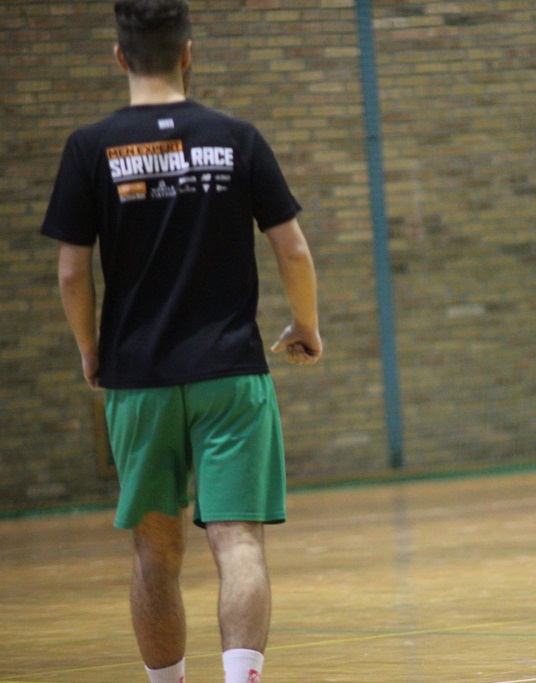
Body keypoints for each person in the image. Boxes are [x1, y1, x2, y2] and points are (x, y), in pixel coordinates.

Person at [41, 1, 322, 680]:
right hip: (230, 375)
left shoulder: (89, 147)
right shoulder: (238, 138)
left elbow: (73, 271)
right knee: (239, 543)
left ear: (118, 57)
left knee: (155, 552)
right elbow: (293, 251)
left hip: (137, 377)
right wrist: (307, 325)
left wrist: (88, 347)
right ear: (189, 52)